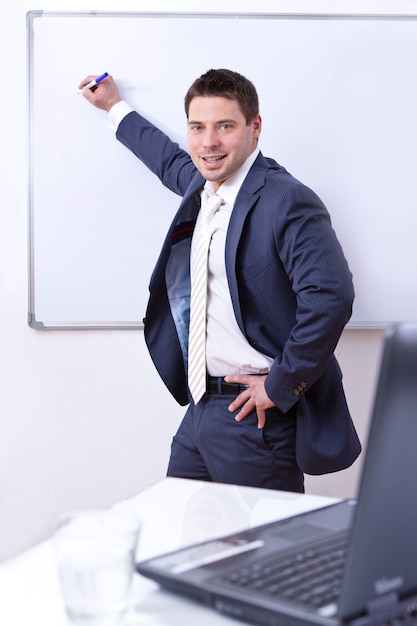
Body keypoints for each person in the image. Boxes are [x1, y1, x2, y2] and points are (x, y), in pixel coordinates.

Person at [78, 68, 361, 493]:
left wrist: (280, 385)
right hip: (200, 410)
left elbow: (331, 297)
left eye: (224, 126)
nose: (208, 142)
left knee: (259, 558)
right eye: (197, 127)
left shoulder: (286, 201)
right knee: (184, 544)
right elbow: (167, 158)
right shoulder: (203, 184)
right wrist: (114, 106)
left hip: (255, 417)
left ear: (254, 127)